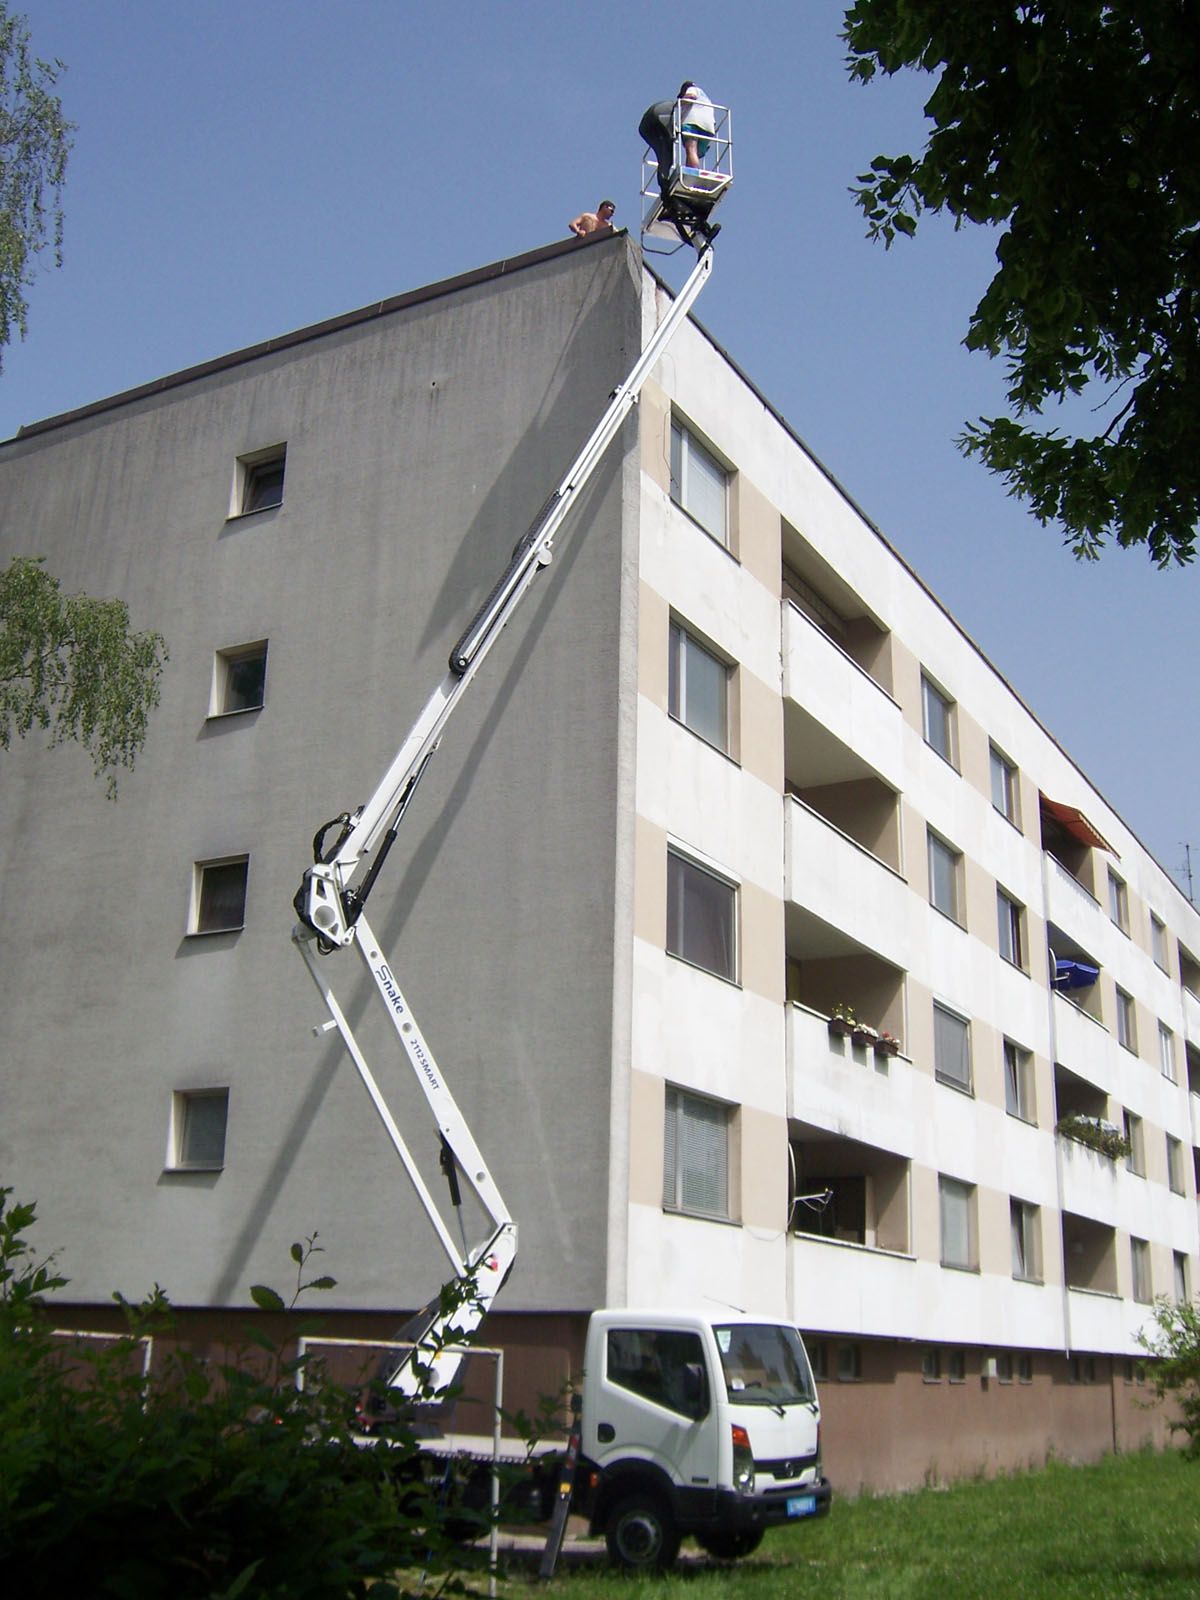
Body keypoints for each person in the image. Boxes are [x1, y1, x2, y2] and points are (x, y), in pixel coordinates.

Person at [679, 82, 715, 169]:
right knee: (695, 153)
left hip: (692, 123)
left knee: (691, 149)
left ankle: (693, 172)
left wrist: (677, 104)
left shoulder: (692, 89)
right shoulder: (706, 99)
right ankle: (691, 169)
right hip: (708, 128)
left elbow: (691, 96)